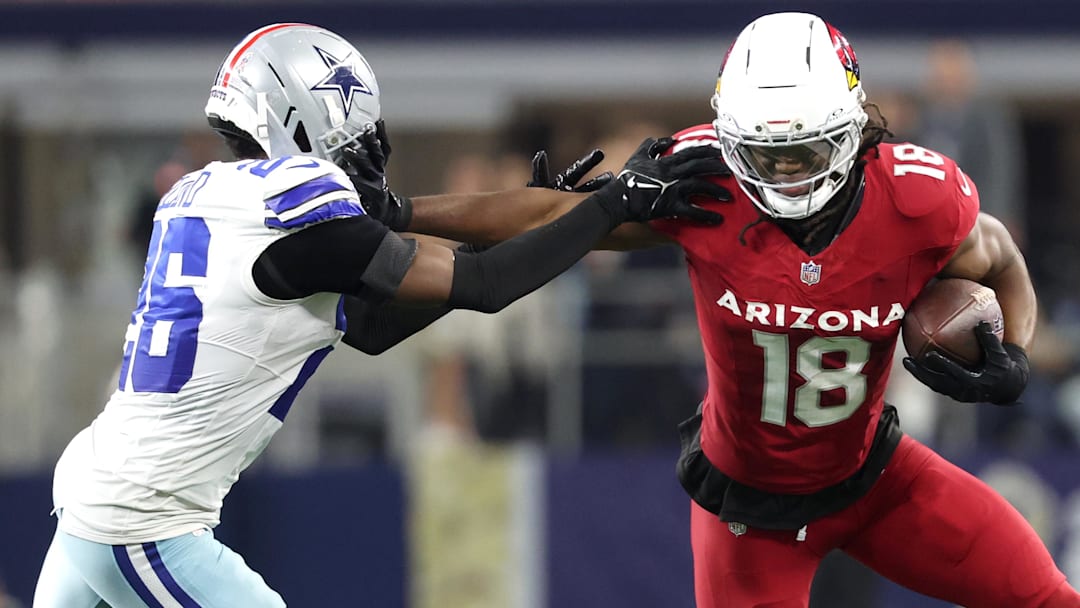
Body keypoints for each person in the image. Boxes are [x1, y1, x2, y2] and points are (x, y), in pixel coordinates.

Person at [362, 12, 1080, 608]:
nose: (783, 172)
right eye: (764, 154)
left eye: (800, 151)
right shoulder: (704, 183)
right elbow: (551, 215)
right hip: (751, 516)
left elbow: (1001, 256)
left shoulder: (919, 199)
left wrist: (1014, 350)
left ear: (853, 127)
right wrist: (403, 211)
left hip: (879, 479)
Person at [31, 23, 729, 608]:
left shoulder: (201, 193)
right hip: (145, 519)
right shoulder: (296, 211)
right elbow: (480, 287)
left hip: (98, 486)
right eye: (356, 132)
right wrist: (611, 207)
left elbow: (368, 325)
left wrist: (533, 221)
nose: (366, 151)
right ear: (305, 116)